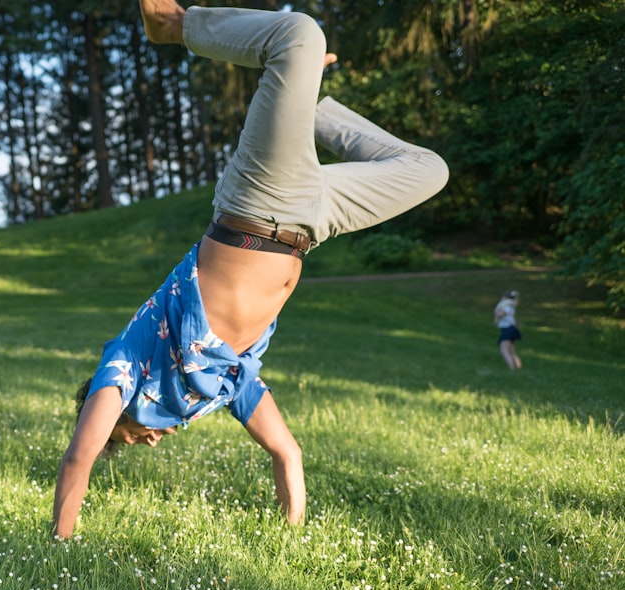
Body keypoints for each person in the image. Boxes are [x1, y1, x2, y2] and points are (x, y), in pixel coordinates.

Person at [52, 0, 450, 539]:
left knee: (298, 34)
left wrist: (62, 539)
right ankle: (309, 108)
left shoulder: (123, 368)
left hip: (258, 202)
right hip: (312, 222)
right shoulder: (222, 382)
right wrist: (292, 540)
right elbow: (288, 453)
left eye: (126, 436)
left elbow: (80, 456)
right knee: (430, 169)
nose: (146, 441)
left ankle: (173, 24)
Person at [493, 290, 522, 370]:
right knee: (511, 351)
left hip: (508, 330)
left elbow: (499, 315)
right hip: (510, 329)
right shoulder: (510, 306)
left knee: (504, 350)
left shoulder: (506, 306)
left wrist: (496, 310)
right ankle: (518, 368)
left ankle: (511, 368)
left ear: (505, 298)